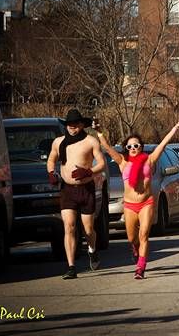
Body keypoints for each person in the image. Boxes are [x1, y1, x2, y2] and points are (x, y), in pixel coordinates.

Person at [95, 117, 179, 279]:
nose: (133, 148)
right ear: (126, 148)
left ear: (141, 147)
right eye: (129, 146)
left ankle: (141, 267)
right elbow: (107, 148)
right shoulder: (123, 162)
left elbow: (163, 144)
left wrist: (175, 128)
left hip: (146, 203)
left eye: (136, 145)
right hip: (129, 205)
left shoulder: (150, 160)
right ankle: (135, 249)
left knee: (143, 234)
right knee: (132, 238)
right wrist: (99, 132)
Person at [47, 109, 106, 279]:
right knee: (69, 226)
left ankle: (92, 250)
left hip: (85, 189)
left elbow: (101, 164)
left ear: (81, 125)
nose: (72, 128)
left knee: (88, 229)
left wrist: (89, 172)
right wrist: (52, 172)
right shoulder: (59, 142)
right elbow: (51, 159)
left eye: (75, 125)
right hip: (67, 190)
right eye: (69, 125)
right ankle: (71, 266)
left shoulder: (91, 141)